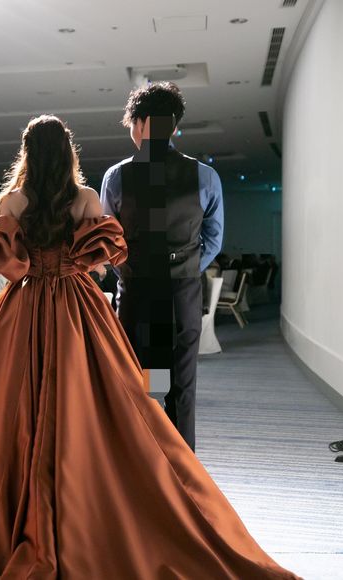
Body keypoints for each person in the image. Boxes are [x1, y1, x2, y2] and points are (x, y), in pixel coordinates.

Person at [0, 115, 297, 579]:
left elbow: (4, 266)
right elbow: (101, 262)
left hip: (23, 308)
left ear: (28, 153)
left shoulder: (13, 201)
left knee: (2, 407)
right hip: (79, 309)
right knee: (111, 400)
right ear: (67, 152)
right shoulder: (87, 198)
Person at [101, 81, 224, 452]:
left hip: (139, 293)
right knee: (183, 384)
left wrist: (132, 271)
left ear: (141, 124)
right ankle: (183, 470)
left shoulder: (118, 177)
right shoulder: (205, 176)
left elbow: (110, 243)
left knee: (146, 384)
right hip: (183, 292)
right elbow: (213, 240)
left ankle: (146, 465)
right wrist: (185, 267)